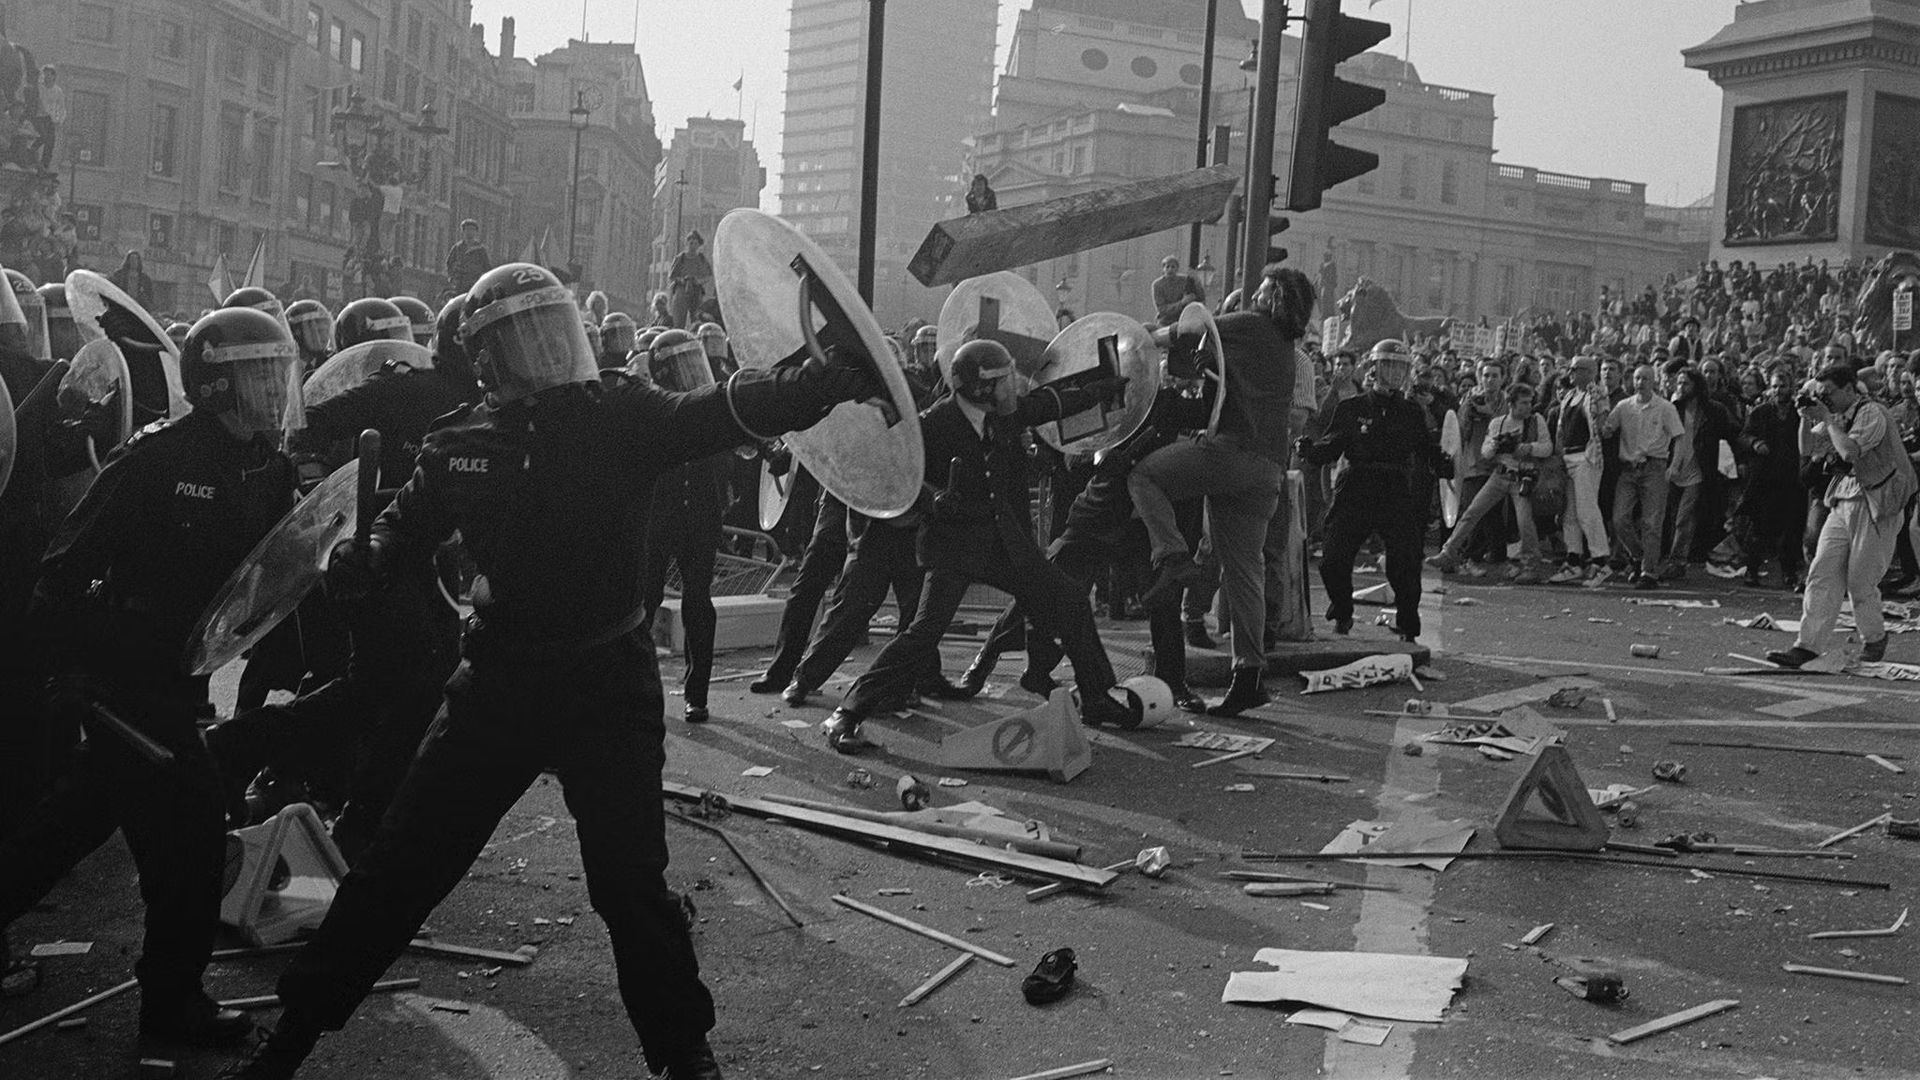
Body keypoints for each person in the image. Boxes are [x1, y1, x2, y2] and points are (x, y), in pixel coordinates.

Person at [221, 263, 884, 1079]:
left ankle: (685, 1058)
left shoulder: (622, 413)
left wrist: (827, 379)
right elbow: (403, 524)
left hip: (608, 681)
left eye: (547, 330)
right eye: (518, 339)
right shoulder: (461, 440)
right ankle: (288, 1037)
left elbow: (730, 409)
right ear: (486, 360)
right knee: (399, 867)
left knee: (631, 888)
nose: (540, 351)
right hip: (500, 682)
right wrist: (370, 560)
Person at [2, 308, 301, 1052]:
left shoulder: (271, 466)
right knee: (195, 832)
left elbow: (273, 574)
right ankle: (173, 1006)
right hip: (121, 675)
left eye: (277, 372)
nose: (273, 389)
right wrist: (63, 671)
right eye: (257, 374)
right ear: (215, 385)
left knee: (68, 827)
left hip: (181, 675)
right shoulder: (157, 460)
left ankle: (173, 1000)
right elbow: (64, 568)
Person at [206, 297, 474, 862]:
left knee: (391, 689)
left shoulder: (485, 406)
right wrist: (332, 490)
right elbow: (307, 419)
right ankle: (329, 795)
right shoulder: (407, 390)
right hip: (379, 562)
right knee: (395, 686)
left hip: (434, 564)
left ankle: (270, 764)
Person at [818, 339, 1135, 753]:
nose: (1013, 389)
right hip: (953, 546)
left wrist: (1105, 386)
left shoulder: (1001, 415)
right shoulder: (932, 425)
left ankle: (1095, 697)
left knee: (1070, 600)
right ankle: (847, 713)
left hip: (1004, 545)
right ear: (982, 387)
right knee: (923, 632)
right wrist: (932, 499)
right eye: (1004, 380)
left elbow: (1049, 404)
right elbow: (894, 477)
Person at [1129, 266, 1311, 716]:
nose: (1255, 295)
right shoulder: (1287, 348)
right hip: (1267, 469)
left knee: (1144, 476)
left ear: (1274, 298)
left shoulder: (1252, 325)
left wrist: (1146, 337)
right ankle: (1247, 676)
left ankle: (1172, 559)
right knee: (1245, 572)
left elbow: (1192, 328)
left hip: (1231, 453)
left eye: (1264, 289)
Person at [1766, 365, 1917, 668]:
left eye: (1829, 393)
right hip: (1844, 498)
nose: (1826, 399)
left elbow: (1849, 452)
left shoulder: (1873, 412)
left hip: (1878, 502)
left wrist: (1824, 418)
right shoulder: (1836, 417)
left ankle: (1874, 637)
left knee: (1860, 582)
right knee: (1822, 571)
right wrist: (1805, 417)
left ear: (1850, 388)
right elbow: (1807, 449)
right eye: (1820, 395)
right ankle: (1807, 645)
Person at [1302, 338, 1449, 642]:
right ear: (1373, 368)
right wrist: (1309, 451)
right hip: (1355, 485)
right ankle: (1342, 609)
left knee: (1406, 562)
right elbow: (1330, 448)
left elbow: (1425, 449)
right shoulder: (1351, 408)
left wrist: (1444, 464)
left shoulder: (1410, 411)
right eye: (1388, 365)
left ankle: (1408, 624)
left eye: (1400, 367)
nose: (1395, 373)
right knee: (1333, 558)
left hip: (1395, 488)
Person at [638, 329, 729, 724]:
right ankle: (639, 690)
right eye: (682, 366)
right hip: (660, 513)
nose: (692, 373)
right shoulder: (649, 407)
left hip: (700, 513)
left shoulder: (705, 405)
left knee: (698, 603)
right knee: (644, 602)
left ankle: (697, 695)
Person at [1429, 382, 1550, 581]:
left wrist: (1529, 447)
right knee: (1471, 513)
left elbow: (1547, 447)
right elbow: (1485, 452)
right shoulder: (1498, 423)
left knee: (1524, 522)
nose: (1529, 407)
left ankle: (1531, 566)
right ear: (1511, 404)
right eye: (1523, 403)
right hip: (1500, 475)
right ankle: (1448, 553)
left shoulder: (1536, 421)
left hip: (1523, 477)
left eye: (1530, 402)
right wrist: (1495, 445)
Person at [1603, 364, 1685, 589]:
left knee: (1652, 522)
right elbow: (1607, 428)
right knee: (1620, 519)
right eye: (1637, 378)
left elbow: (1679, 436)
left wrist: (1674, 465)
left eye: (1645, 379)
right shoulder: (1623, 406)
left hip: (1654, 467)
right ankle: (1639, 556)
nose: (1640, 383)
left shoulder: (1665, 407)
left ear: (1654, 381)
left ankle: (1649, 572)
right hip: (1628, 467)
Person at [1735, 366, 1807, 589]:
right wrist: (1756, 444)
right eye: (1774, 386)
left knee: (1790, 531)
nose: (1778, 390)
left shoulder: (1799, 413)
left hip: (1791, 479)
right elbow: (1744, 436)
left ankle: (1789, 572)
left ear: (1791, 387)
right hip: (1764, 479)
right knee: (1758, 529)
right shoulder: (1761, 412)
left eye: (1782, 386)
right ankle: (1752, 570)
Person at [1547, 355, 1614, 585]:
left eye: (1577, 369)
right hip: (1567, 457)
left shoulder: (1596, 393)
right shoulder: (1569, 396)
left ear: (1589, 372)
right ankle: (1573, 559)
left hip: (1586, 457)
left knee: (1587, 510)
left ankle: (1601, 561)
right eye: (1571, 369)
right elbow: (1560, 431)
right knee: (1570, 514)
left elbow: (1602, 420)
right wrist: (1557, 460)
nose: (1572, 373)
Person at [668, 230, 713, 329]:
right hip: (682, 290)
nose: (692, 246)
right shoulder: (681, 258)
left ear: (699, 245)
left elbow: (709, 275)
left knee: (697, 319)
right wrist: (682, 280)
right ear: (687, 243)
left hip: (696, 290)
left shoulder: (701, 259)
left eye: (695, 243)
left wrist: (698, 281)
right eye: (691, 243)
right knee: (678, 321)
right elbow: (672, 276)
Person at [1151, 255, 1205, 327]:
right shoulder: (1157, 285)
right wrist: (1182, 303)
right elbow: (1162, 309)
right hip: (1165, 322)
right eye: (1167, 267)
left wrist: (1197, 281)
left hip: (1184, 320)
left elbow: (1200, 298)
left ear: (1177, 269)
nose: (1170, 269)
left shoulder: (1186, 281)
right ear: (1163, 269)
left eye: (1173, 267)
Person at [443, 219, 492, 295]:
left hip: (474, 284)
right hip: (459, 285)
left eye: (472, 229)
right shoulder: (457, 248)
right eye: (467, 229)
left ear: (476, 232)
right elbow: (449, 263)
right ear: (463, 231)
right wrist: (452, 276)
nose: (469, 232)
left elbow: (487, 267)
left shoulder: (480, 249)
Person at [31, 66, 62, 173]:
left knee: (50, 143)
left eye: (48, 74)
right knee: (43, 136)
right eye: (44, 75)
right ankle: (32, 149)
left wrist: (58, 119)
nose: (46, 77)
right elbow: (39, 102)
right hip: (39, 116)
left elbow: (60, 106)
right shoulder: (40, 88)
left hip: (50, 119)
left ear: (53, 76)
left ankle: (45, 165)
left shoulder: (58, 91)